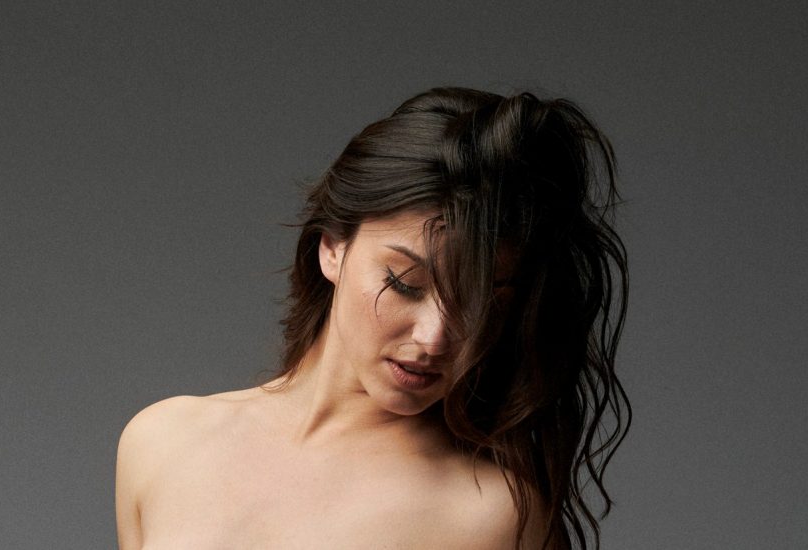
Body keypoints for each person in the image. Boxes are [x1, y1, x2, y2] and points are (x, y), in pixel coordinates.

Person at [115, 86, 631, 550]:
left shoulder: (490, 517)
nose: (434, 338)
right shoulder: (164, 441)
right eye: (404, 283)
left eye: (480, 304)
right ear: (333, 247)